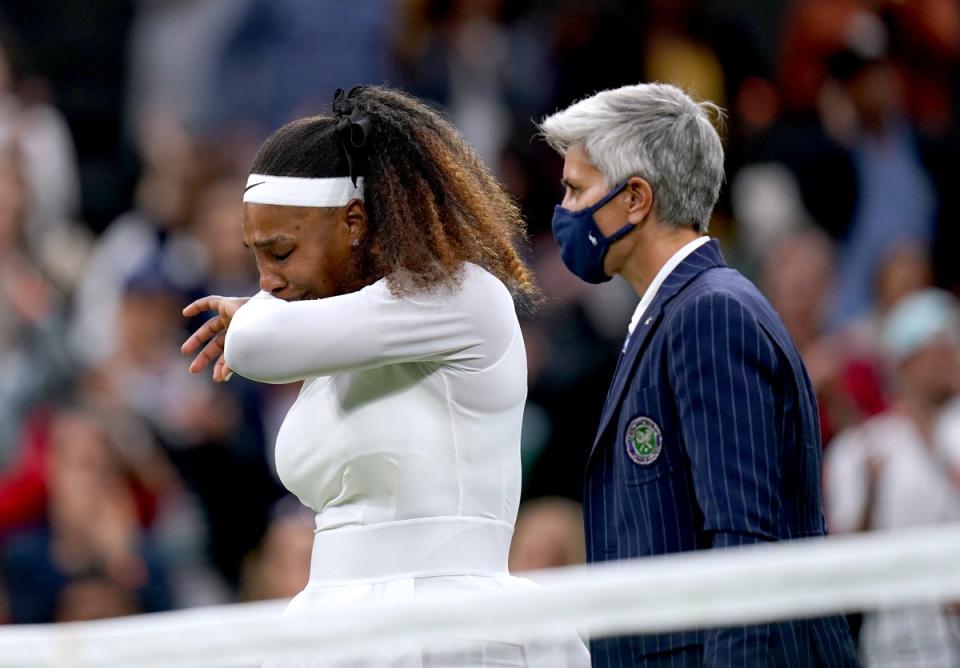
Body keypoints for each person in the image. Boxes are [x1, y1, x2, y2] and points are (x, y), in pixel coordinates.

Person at [181, 85, 589, 667]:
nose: (266, 280)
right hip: (333, 628)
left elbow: (255, 342)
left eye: (281, 252)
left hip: (452, 628)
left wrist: (251, 314)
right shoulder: (337, 341)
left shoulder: (464, 296)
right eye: (255, 257)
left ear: (353, 220)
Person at [539, 82, 859, 666]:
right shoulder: (675, 314)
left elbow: (745, 546)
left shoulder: (709, 314)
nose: (564, 211)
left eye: (576, 188)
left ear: (635, 198)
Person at [825, 289, 960, 667]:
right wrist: (871, 493)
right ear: (904, 362)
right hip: (896, 646)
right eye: (937, 349)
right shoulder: (859, 449)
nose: (950, 359)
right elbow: (845, 563)